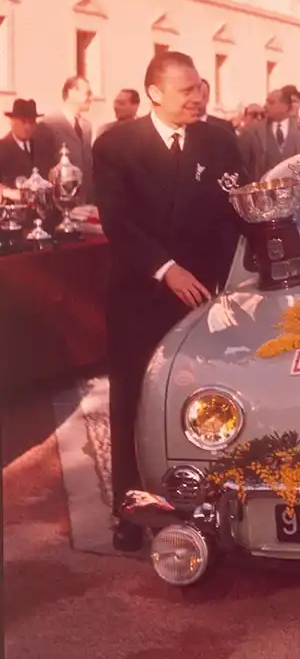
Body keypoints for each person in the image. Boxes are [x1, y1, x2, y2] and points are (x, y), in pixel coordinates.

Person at [93, 51, 247, 551]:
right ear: (155, 93)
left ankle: (203, 506)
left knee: (205, 402)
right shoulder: (115, 145)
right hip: (140, 295)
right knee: (133, 402)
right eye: (186, 90)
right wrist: (166, 269)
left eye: (200, 87)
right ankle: (131, 512)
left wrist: (234, 279)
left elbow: (235, 215)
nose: (198, 97)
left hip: (205, 297)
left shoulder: (220, 140)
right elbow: (118, 222)